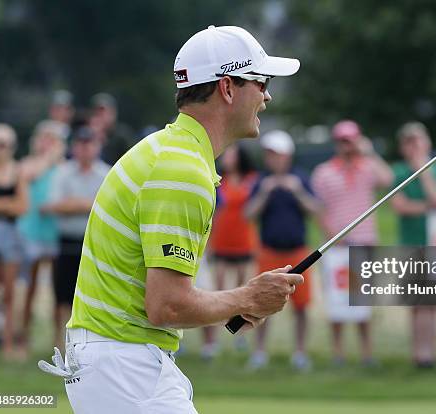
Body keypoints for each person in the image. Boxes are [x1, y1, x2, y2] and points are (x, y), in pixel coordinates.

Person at [38, 25, 302, 413]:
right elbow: (168, 306)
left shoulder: (170, 152)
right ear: (227, 88)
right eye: (261, 82)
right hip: (125, 368)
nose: (267, 95)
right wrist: (245, 297)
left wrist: (239, 302)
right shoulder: (182, 171)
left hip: (119, 363)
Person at [311, 119, 393, 365]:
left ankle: (367, 353)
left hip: (364, 243)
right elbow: (319, 209)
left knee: (363, 304)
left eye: (351, 141)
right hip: (337, 246)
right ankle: (338, 353)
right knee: (337, 303)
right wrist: (331, 235)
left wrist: (368, 152)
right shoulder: (325, 172)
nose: (347, 146)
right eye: (343, 141)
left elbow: (387, 179)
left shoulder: (368, 167)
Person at [245, 130, 320, 371]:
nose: (272, 159)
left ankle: (300, 352)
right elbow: (248, 215)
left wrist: (296, 191)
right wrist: (266, 192)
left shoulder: (300, 178)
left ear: (287, 156)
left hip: (298, 253)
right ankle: (259, 352)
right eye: (269, 154)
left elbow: (316, 210)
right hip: (269, 252)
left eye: (276, 154)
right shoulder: (261, 181)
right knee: (261, 303)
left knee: (301, 306)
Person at [41, 126, 110, 351]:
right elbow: (53, 205)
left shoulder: (106, 173)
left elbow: (108, 209)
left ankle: (88, 344)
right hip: (67, 241)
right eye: (80, 144)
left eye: (89, 143)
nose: (84, 148)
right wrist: (88, 204)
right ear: (74, 147)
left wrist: (74, 204)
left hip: (95, 242)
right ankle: (59, 343)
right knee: (62, 295)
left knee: (95, 295)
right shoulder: (63, 172)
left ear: (96, 146)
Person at [390, 122, 436, 368]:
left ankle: (429, 352)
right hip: (410, 244)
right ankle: (419, 353)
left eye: (417, 141)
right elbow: (400, 206)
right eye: (408, 142)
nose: (413, 147)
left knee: (432, 303)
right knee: (416, 302)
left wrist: (423, 170)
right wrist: (427, 207)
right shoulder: (400, 171)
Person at [202, 144, 258, 360]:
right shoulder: (218, 179)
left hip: (244, 242)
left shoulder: (251, 179)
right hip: (222, 242)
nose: (228, 158)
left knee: (243, 291)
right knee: (217, 292)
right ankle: (213, 341)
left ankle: (241, 334)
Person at [18, 120, 67, 357]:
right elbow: (30, 175)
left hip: (55, 234)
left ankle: (59, 338)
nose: (47, 143)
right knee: (29, 288)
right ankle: (23, 336)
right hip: (32, 235)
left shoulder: (64, 167)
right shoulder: (29, 163)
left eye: (52, 139)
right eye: (44, 137)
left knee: (59, 291)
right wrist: (49, 157)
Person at [0, 123, 28, 362]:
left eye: (3, 144)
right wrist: (8, 204)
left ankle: (10, 344)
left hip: (10, 236)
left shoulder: (17, 171)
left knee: (11, 293)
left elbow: (23, 206)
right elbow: (14, 204)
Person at [88, 92, 136, 165]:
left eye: (103, 112)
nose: (100, 116)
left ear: (113, 113)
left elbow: (130, 159)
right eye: (96, 113)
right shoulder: (86, 133)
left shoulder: (122, 135)